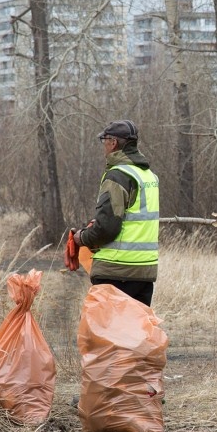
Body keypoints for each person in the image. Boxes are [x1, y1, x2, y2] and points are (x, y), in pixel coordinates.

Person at [72, 120, 159, 307]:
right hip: (144, 271)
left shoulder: (117, 176)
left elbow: (107, 228)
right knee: (135, 332)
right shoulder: (148, 176)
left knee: (104, 334)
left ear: (112, 143)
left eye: (104, 140)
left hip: (116, 272)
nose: (103, 145)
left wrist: (82, 238)